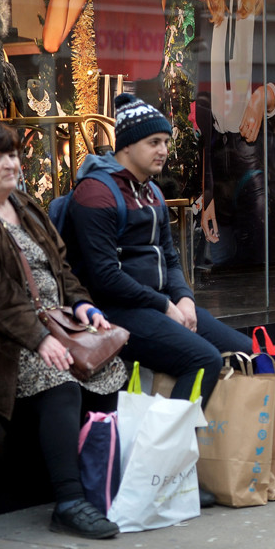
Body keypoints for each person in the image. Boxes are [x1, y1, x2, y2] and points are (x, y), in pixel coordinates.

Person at [0, 124, 123, 539]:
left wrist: (84, 306)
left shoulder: (25, 205)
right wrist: (38, 338)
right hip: (5, 337)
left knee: (110, 367)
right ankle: (69, 500)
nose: (11, 164)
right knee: (58, 378)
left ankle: (103, 478)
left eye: (13, 155)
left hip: (56, 321)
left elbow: (61, 269)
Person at [64, 94, 252, 410]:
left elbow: (170, 255)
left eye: (165, 141)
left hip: (158, 304)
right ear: (126, 145)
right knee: (203, 359)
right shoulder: (95, 193)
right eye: (153, 142)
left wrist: (186, 300)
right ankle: (169, 450)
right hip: (115, 312)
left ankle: (212, 450)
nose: (163, 150)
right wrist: (165, 305)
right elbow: (105, 276)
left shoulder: (151, 191)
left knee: (245, 351)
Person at [195, 0, 275, 266]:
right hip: (217, 154)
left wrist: (266, 94)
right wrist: (208, 191)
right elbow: (201, 99)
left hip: (256, 153)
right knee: (215, 270)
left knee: (261, 265)